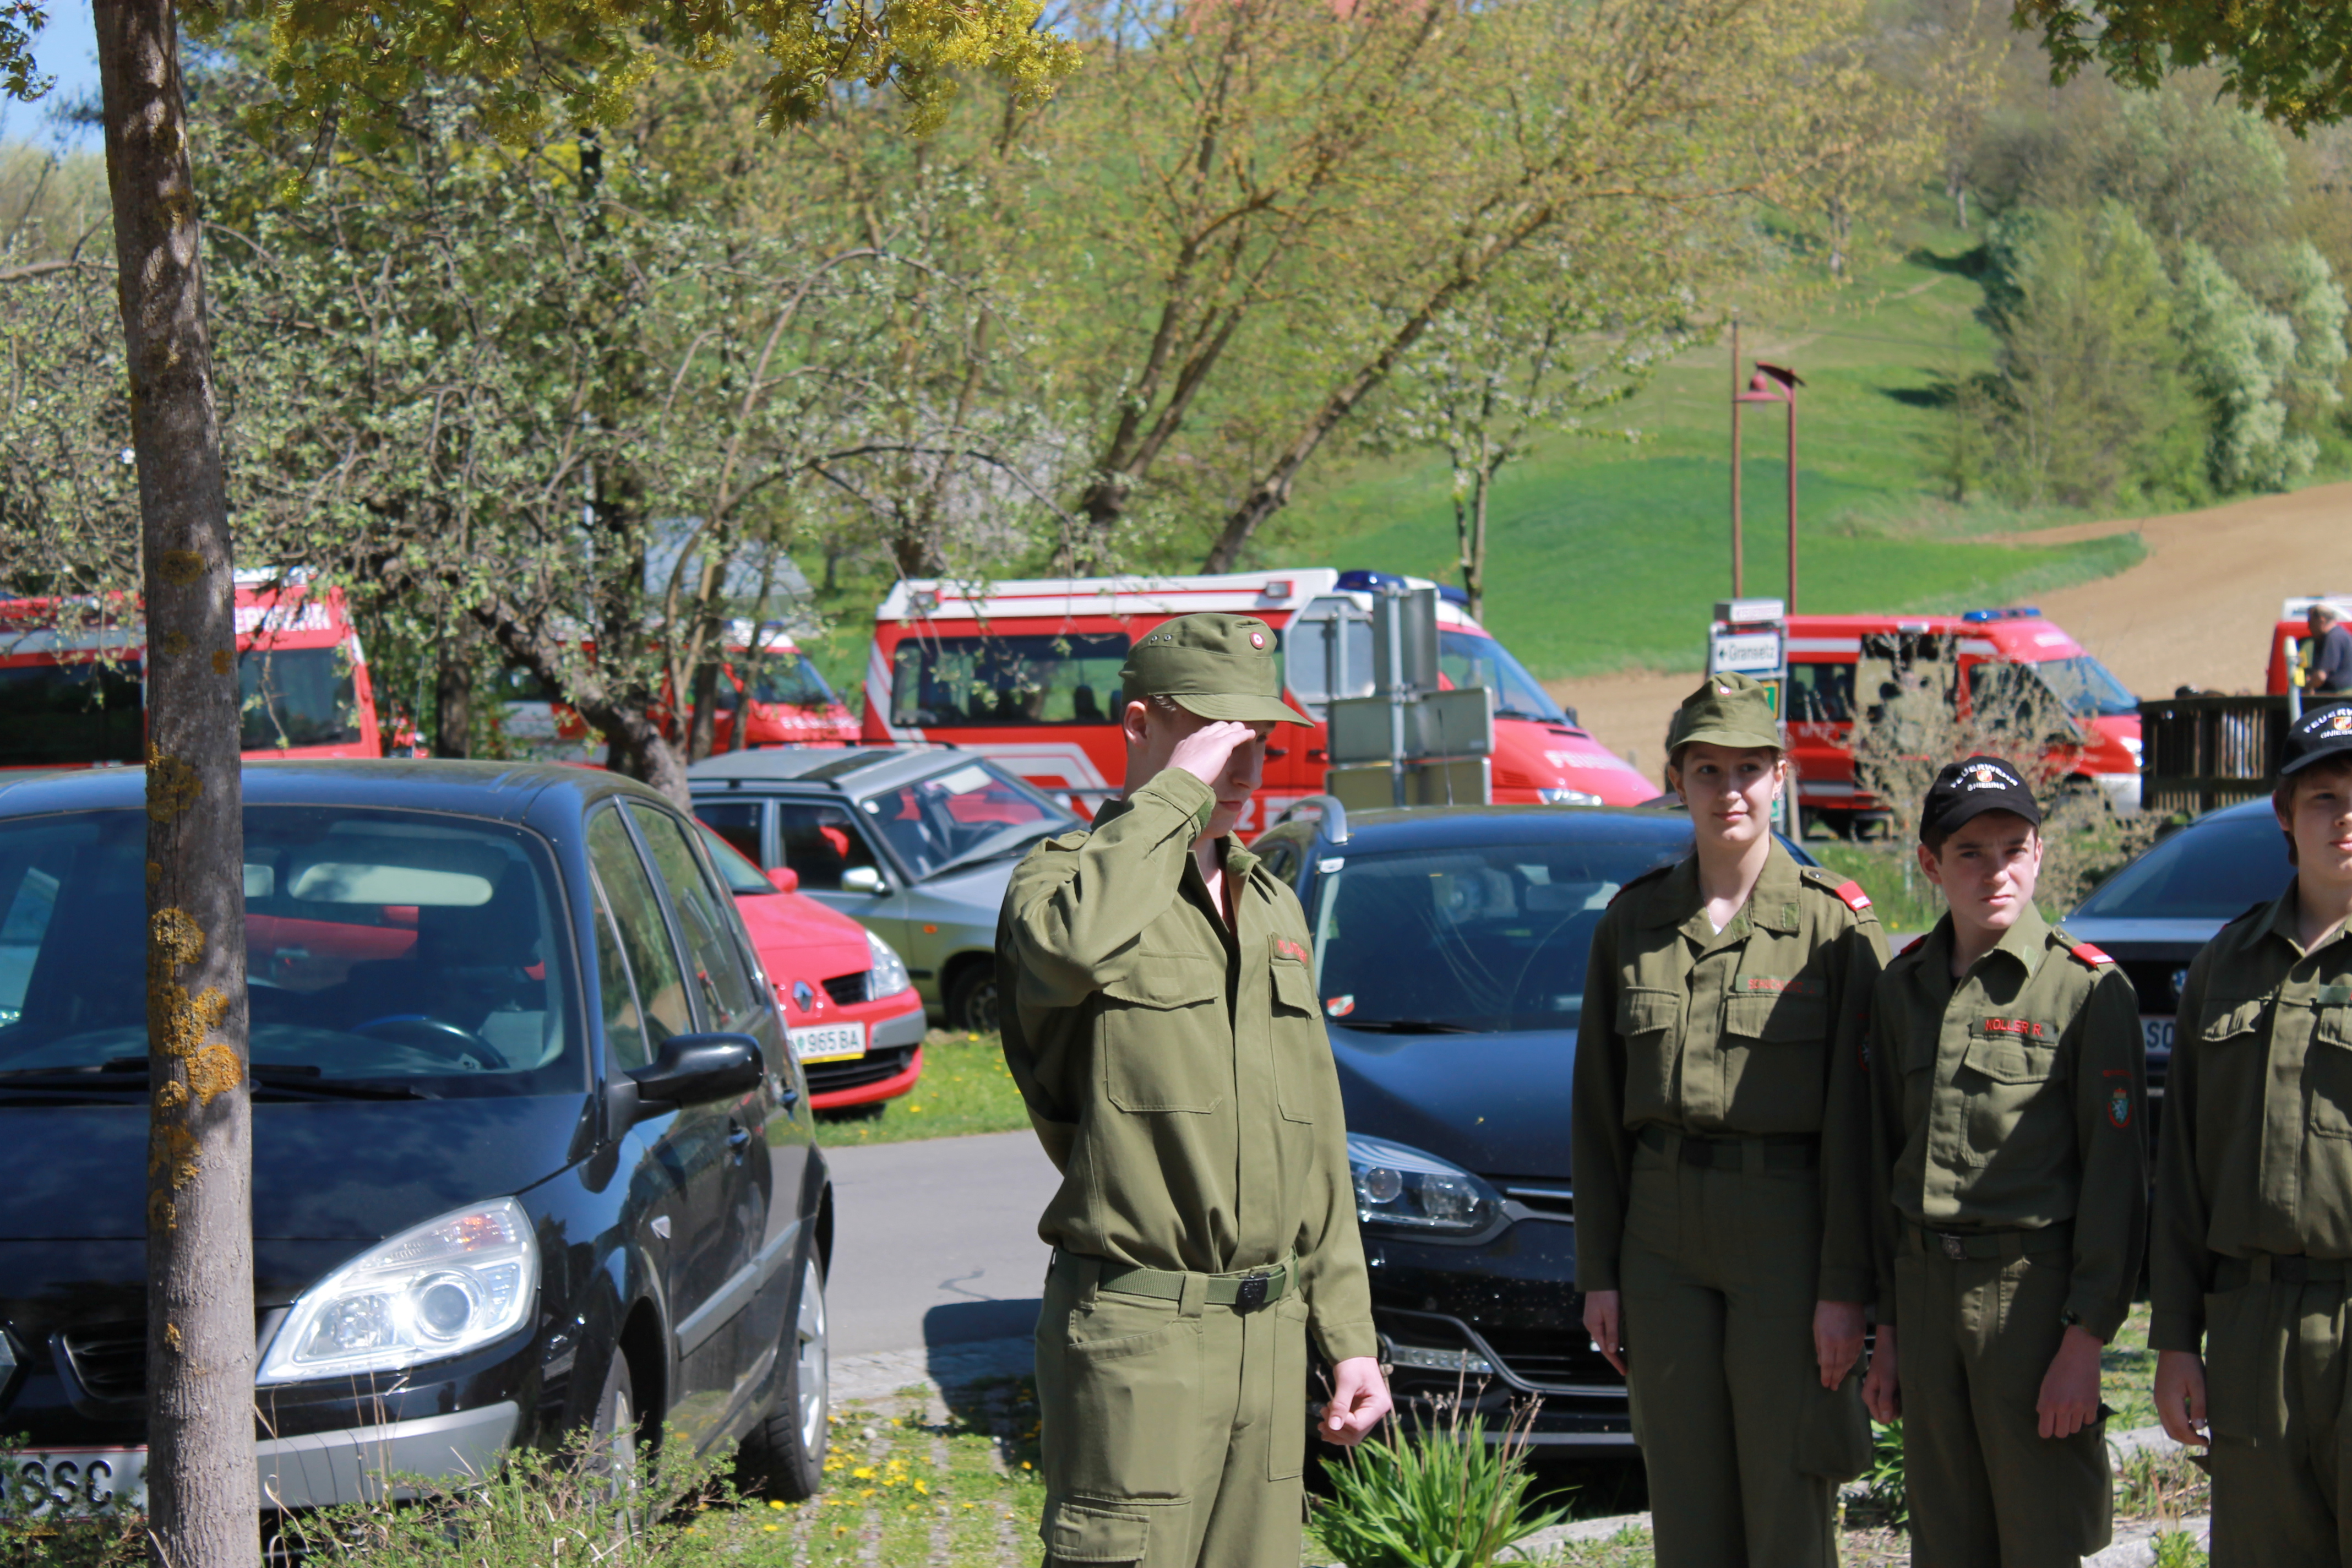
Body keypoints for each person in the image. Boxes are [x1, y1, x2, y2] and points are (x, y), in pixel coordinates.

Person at [996, 612, 1391, 1568]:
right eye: (1219, 733)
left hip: (1271, 1333)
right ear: (1140, 725)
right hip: (1140, 1334)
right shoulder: (1058, 884)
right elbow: (1074, 950)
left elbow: (1314, 1138)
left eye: (1259, 738)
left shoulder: (1271, 904)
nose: (1243, 765)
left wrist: (1348, 1337)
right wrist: (1176, 792)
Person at [1572, 671, 1887, 1567]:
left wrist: (1845, 1288)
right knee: (1684, 1489)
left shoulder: (1833, 927)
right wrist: (1600, 1272)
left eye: (1749, 767)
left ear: (1780, 776)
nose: (1729, 790)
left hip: (1785, 1227)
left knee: (1787, 1486)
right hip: (1661, 1233)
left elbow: (1863, 1127)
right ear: (1676, 779)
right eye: (1707, 769)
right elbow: (1596, 1113)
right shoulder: (1633, 922)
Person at [1860, 755, 2147, 1567]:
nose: (1996, 872)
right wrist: (1889, 1329)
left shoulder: (2084, 990)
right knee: (1945, 1539)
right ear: (1930, 864)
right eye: (1970, 853)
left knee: (2041, 1535)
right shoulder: (1902, 989)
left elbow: (2117, 1185)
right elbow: (1884, 1165)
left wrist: (2086, 1341)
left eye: (2014, 849)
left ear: (2040, 853)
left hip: (2031, 1302)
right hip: (1926, 1295)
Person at [2150, 702, 2352, 1566]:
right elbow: (2183, 1172)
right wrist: (2175, 1340)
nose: (2345, 818)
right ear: (2283, 812)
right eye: (2324, 797)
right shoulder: (2225, 966)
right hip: (2251, 1328)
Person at [2308, 604, 2352, 698]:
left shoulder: (2333, 638)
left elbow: (2321, 676)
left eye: (2311, 622)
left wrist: (2308, 686)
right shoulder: (2342, 634)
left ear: (2322, 621)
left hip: (2340, 697)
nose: (2309, 627)